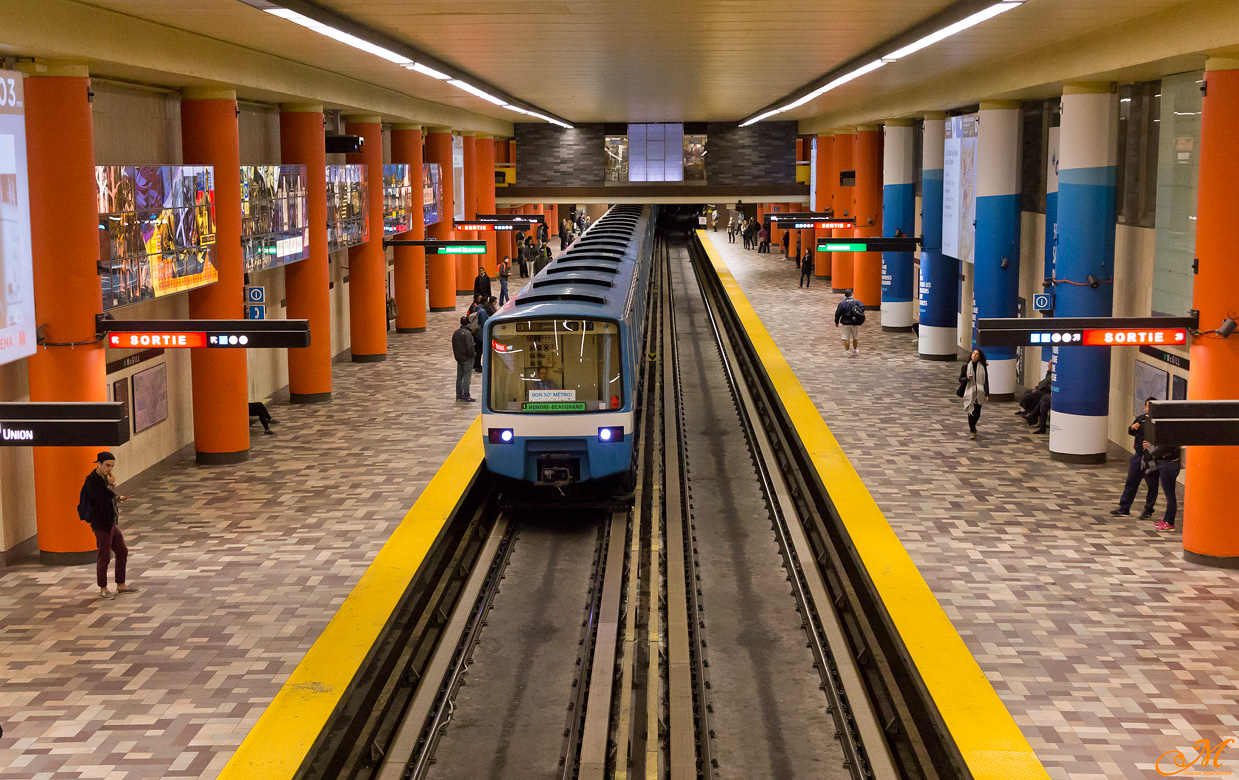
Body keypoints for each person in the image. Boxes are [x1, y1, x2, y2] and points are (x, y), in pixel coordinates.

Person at [78, 451, 137, 600]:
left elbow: (107, 497)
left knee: (122, 551)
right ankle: (103, 588)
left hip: (110, 522)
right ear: (99, 464)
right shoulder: (92, 481)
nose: (110, 468)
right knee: (104, 556)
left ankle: (120, 584)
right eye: (107, 465)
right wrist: (112, 486)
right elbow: (102, 501)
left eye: (112, 466)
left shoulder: (104, 478)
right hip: (101, 524)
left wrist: (117, 498)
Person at [1111, 398, 1160, 519]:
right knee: (1131, 483)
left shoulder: (1160, 422)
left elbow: (1164, 441)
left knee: (1152, 485)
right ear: (1145, 407)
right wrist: (1132, 428)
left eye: (1153, 407)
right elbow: (1132, 432)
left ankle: (1148, 510)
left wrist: (1151, 446)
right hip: (1138, 456)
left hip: (1151, 459)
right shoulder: (1141, 419)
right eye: (1148, 406)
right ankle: (1124, 507)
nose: (1150, 409)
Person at [1146, 440, 1181, 531]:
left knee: (1170, 495)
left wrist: (1154, 453)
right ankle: (1166, 519)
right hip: (1169, 463)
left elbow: (1163, 448)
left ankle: (1169, 522)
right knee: (1169, 494)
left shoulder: (1170, 434)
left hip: (1168, 464)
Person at [958, 349, 990, 440]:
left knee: (977, 413)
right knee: (971, 411)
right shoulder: (966, 366)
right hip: (969, 392)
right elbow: (960, 379)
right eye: (973, 353)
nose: (974, 355)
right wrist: (967, 378)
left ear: (979, 357)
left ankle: (973, 426)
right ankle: (972, 430)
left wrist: (987, 393)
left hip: (979, 393)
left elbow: (986, 381)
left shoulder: (983, 367)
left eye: (976, 354)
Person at [833, 289, 865, 357]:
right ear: (851, 294)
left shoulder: (842, 303)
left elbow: (838, 314)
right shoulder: (856, 301)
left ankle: (847, 352)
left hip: (845, 323)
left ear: (845, 295)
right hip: (855, 322)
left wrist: (836, 321)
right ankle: (855, 350)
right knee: (855, 337)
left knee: (846, 338)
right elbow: (863, 307)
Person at [453, 316, 476, 402]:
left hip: (459, 358)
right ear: (468, 323)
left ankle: (459, 395)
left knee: (459, 377)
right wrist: (473, 354)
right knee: (467, 377)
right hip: (467, 358)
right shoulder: (467, 333)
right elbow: (470, 347)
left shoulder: (456, 332)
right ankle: (466, 395)